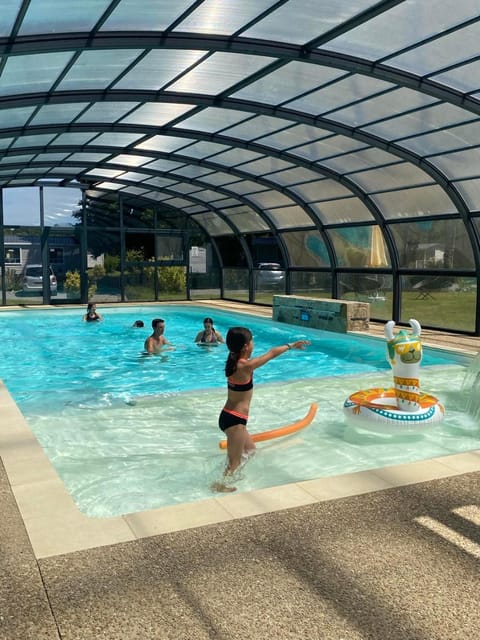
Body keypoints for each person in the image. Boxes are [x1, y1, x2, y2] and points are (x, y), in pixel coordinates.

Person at [213, 326, 310, 492]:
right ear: (245, 346)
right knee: (234, 462)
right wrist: (291, 345)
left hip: (230, 417)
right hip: (235, 421)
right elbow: (271, 354)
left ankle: (230, 472)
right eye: (251, 342)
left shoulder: (233, 358)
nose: (253, 344)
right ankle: (220, 485)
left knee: (250, 450)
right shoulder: (245, 366)